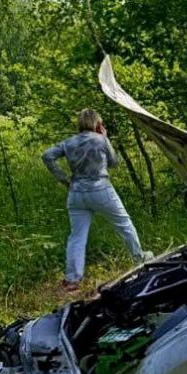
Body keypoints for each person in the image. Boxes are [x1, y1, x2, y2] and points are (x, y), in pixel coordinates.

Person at [43, 109, 150, 291]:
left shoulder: (69, 142)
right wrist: (106, 138)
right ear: (97, 124)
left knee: (77, 237)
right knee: (124, 224)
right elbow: (114, 162)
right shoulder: (101, 139)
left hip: (76, 193)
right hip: (101, 189)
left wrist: (63, 179)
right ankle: (140, 259)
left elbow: (47, 156)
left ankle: (72, 280)